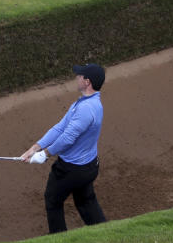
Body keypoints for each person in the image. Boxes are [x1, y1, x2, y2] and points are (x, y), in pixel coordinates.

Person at [20, 63, 108, 234]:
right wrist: (35, 147)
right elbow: (60, 128)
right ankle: (104, 233)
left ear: (87, 81)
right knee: (85, 200)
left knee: (52, 200)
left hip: (71, 170)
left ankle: (58, 239)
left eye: (79, 76)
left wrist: (44, 155)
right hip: (88, 167)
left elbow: (67, 139)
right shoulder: (86, 103)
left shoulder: (86, 109)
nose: (76, 77)